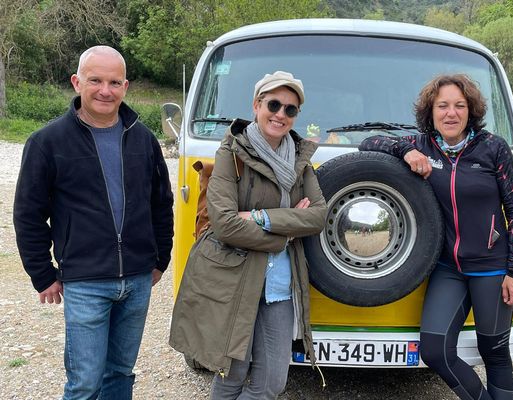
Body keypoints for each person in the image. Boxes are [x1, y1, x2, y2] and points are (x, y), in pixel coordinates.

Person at [13, 45, 174, 399]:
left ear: (126, 87)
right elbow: (28, 213)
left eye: (114, 82)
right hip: (85, 282)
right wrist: (42, 274)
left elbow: (161, 203)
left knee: (119, 374)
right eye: (96, 80)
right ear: (76, 82)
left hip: (136, 279)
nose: (105, 90)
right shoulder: (46, 142)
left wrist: (160, 257)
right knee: (85, 382)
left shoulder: (143, 139)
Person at [359, 74, 513, 400]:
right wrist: (405, 151)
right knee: (434, 350)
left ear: (471, 110)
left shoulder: (493, 148)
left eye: (459, 106)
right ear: (431, 111)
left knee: (493, 350)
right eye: (443, 106)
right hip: (448, 267)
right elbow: (370, 143)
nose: (451, 113)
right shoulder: (423, 145)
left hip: (491, 267)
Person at [169, 71, 327, 399]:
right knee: (232, 375)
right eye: (273, 104)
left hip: (280, 286)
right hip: (234, 280)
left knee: (271, 383)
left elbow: (317, 217)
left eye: (290, 109)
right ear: (256, 105)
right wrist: (285, 233)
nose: (281, 114)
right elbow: (224, 223)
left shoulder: (300, 158)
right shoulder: (231, 153)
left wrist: (258, 217)